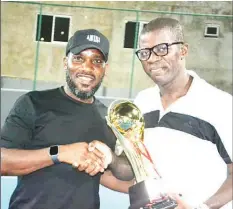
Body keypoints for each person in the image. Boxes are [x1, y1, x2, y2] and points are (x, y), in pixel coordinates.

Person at [1, 29, 134, 209]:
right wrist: (59, 153)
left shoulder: (108, 118)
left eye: (96, 61)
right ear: (66, 62)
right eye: (79, 58)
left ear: (105, 69)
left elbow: (111, 175)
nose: (87, 68)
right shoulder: (33, 103)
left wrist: (109, 158)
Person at [134, 17, 232, 209]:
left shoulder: (221, 104)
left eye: (162, 49)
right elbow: (136, 168)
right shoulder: (142, 102)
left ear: (183, 51)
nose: (152, 59)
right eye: (145, 53)